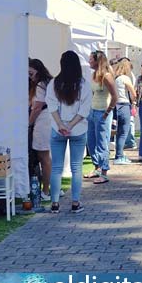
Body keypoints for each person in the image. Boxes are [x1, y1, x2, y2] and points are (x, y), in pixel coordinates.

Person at [45, 51, 92, 214]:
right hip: (78, 129)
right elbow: (85, 109)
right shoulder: (83, 84)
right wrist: (70, 125)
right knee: (76, 168)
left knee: (57, 167)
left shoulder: (54, 83)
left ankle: (55, 203)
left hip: (57, 129)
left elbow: (51, 105)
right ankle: (75, 202)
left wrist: (60, 124)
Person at [84, 50, 117, 184]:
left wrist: (107, 112)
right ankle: (96, 167)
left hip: (103, 112)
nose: (89, 62)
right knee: (91, 141)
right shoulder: (93, 75)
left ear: (98, 61)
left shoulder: (107, 76)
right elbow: (93, 93)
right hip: (92, 111)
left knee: (102, 142)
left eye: (91, 59)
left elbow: (115, 97)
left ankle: (104, 172)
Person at [28, 58, 54, 200]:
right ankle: (52, 187)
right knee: (45, 157)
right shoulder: (47, 83)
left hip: (43, 122)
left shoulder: (40, 85)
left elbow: (37, 106)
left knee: (44, 157)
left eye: (31, 72)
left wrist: (29, 123)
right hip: (48, 120)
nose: (29, 75)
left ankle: (45, 191)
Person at [112, 58, 137, 165]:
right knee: (123, 132)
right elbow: (133, 93)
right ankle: (119, 155)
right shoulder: (125, 78)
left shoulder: (115, 78)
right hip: (124, 104)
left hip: (115, 105)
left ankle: (119, 154)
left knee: (118, 132)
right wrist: (134, 101)